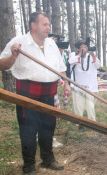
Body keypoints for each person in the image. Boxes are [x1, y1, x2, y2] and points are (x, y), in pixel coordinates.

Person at [0, 12, 70, 174]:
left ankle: (47, 159)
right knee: (28, 130)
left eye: (48, 24)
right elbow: (2, 65)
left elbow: (61, 68)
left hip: (49, 93)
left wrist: (66, 84)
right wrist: (13, 55)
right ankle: (29, 165)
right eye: (44, 24)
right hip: (27, 94)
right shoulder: (19, 43)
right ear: (33, 25)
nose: (48, 27)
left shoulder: (52, 45)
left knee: (48, 128)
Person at [69, 40, 101, 131]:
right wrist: (80, 54)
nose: (84, 49)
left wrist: (93, 55)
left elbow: (98, 66)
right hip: (78, 86)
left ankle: (92, 123)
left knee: (90, 106)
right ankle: (80, 124)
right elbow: (70, 62)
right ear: (78, 48)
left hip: (90, 86)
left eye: (85, 47)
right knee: (78, 106)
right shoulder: (73, 55)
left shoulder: (90, 57)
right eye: (82, 47)